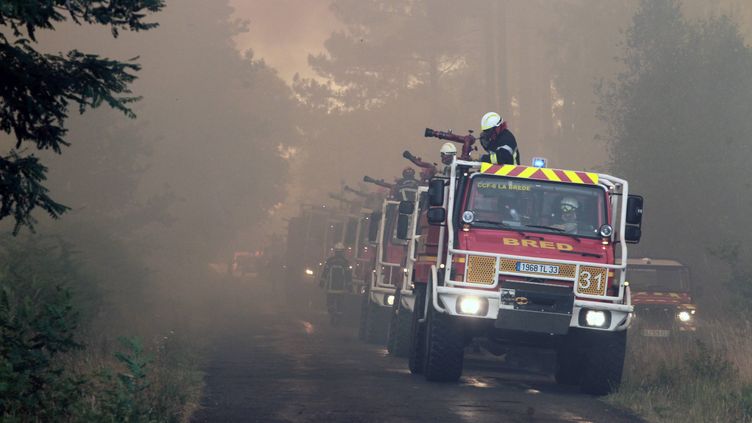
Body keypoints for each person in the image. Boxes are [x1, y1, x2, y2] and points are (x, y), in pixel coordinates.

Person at [319, 242, 352, 324]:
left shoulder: (330, 261)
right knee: (340, 305)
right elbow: (348, 276)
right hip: (341, 289)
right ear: (342, 251)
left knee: (330, 303)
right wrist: (350, 287)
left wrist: (321, 283)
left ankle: (333, 316)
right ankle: (338, 318)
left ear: (335, 251)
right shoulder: (345, 262)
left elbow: (325, 273)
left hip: (330, 288)